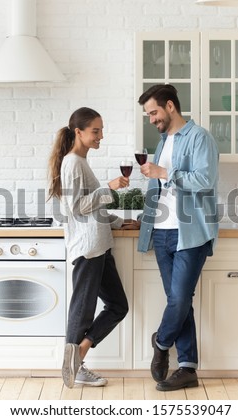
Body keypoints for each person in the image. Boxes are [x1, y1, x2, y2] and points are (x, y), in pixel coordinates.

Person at [47, 107, 139, 389]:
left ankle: (80, 353)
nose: (101, 136)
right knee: (83, 309)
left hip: (99, 246)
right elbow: (76, 209)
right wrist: (109, 189)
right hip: (88, 249)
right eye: (95, 131)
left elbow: (92, 210)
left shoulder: (81, 162)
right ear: (79, 132)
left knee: (117, 305)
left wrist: (118, 222)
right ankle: (74, 365)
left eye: (101, 130)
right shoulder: (73, 163)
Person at [137, 84, 219, 392]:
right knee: (179, 302)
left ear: (170, 106)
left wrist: (163, 173)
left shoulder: (200, 138)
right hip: (161, 232)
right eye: (148, 114)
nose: (151, 119)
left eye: (154, 112)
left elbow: (205, 179)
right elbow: (161, 188)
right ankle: (187, 368)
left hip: (190, 232)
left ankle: (161, 342)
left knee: (181, 298)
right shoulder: (162, 141)